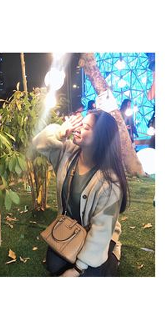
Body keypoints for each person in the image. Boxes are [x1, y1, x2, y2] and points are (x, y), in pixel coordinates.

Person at [32, 110, 128, 277]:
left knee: (89, 275)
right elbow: (38, 143)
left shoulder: (110, 181)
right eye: (80, 124)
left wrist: (77, 269)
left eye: (86, 127)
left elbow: (101, 229)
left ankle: (113, 253)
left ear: (100, 138)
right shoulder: (68, 153)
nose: (77, 129)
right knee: (54, 266)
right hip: (68, 228)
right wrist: (60, 132)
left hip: (99, 233)